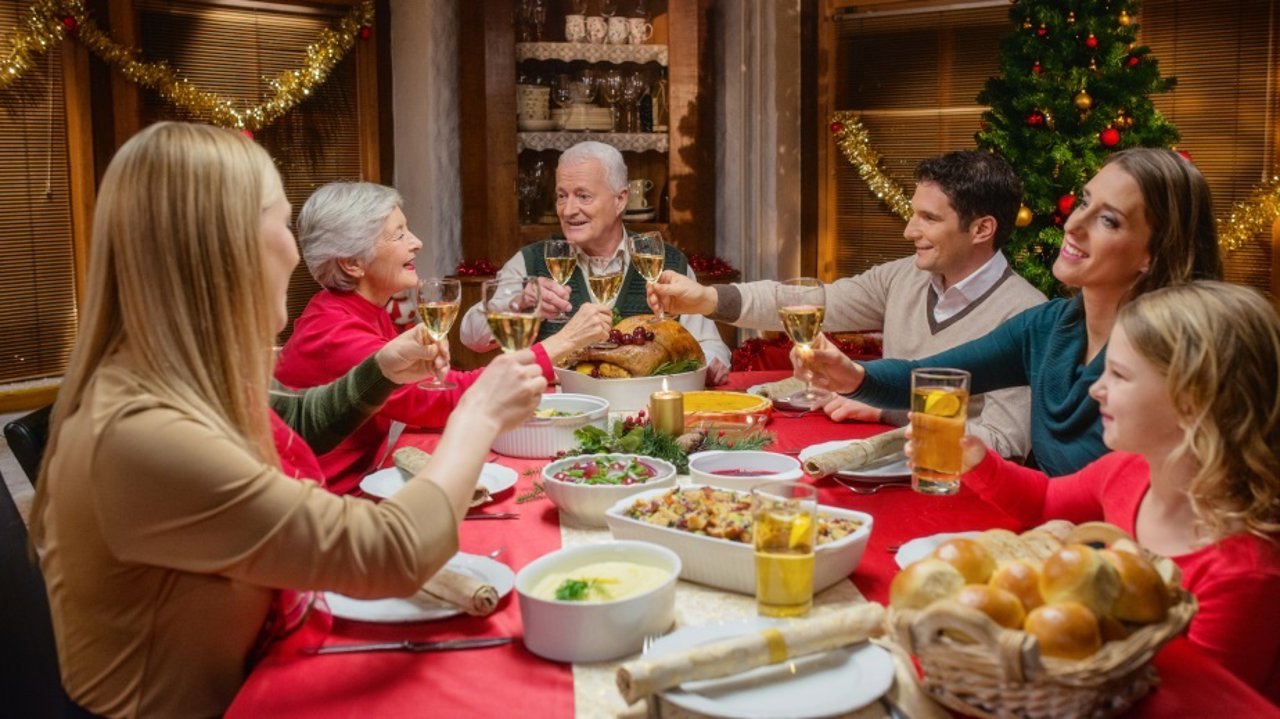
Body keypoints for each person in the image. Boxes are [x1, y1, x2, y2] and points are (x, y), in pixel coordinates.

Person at [29, 122, 548, 717]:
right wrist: (477, 416)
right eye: (280, 224)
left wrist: (380, 368)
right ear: (225, 251)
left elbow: (296, 418)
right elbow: (394, 552)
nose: (296, 251)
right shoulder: (141, 432)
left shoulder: (170, 375)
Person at [914, 281, 1280, 700]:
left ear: (1191, 401)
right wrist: (977, 461)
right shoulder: (1129, 471)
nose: (1095, 388)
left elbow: (1202, 698)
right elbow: (1047, 501)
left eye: (1119, 375)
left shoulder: (1245, 571)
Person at [798, 148, 1223, 476]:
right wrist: (854, 376)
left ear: (1154, 252)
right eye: (1084, 202)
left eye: (1109, 220)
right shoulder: (1050, 326)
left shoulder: (1170, 357)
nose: (1073, 225)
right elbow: (934, 377)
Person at [648, 150, 1046, 460]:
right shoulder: (904, 276)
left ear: (982, 229)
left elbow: (1002, 444)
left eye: (928, 218)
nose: (910, 231)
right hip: (887, 463)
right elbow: (807, 301)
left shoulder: (1026, 314)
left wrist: (886, 409)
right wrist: (705, 299)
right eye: (913, 214)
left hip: (954, 488)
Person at [275, 181, 613, 494]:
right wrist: (566, 342)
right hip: (329, 508)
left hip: (359, 488)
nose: (417, 242)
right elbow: (446, 401)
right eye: (399, 235)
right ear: (352, 263)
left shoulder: (362, 311)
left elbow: (434, 391)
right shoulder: (334, 333)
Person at [459, 141, 733, 384]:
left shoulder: (665, 262)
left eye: (583, 196)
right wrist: (521, 304)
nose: (568, 210)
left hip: (646, 416)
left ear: (620, 200)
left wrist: (706, 364)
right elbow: (471, 335)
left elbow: (711, 346)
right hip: (560, 414)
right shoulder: (531, 261)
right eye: (562, 195)